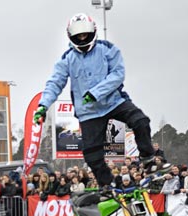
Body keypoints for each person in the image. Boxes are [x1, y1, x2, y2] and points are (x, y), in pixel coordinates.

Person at [34, 13, 168, 189]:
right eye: (78, 36)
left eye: (85, 34)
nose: (82, 38)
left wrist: (96, 93)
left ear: (93, 32)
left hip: (113, 101)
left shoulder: (108, 49)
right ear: (71, 36)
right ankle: (107, 184)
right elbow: (55, 83)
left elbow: (118, 74)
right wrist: (43, 105)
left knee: (140, 120)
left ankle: (148, 158)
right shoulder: (67, 59)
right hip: (88, 111)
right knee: (91, 154)